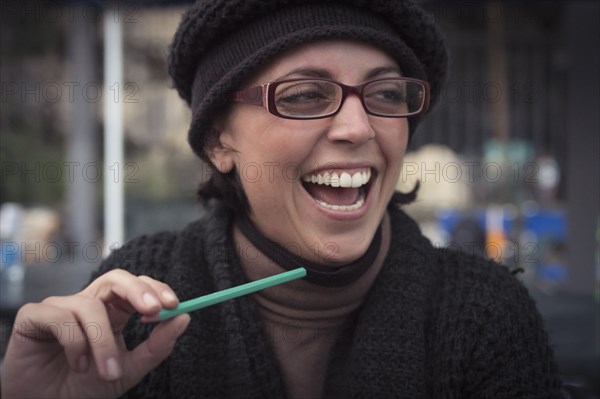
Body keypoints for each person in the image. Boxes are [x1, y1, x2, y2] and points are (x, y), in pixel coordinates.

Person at [1, 0, 563, 397]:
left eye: (387, 94)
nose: (358, 127)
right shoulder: (135, 303)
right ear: (220, 141)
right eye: (303, 95)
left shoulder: (483, 316)